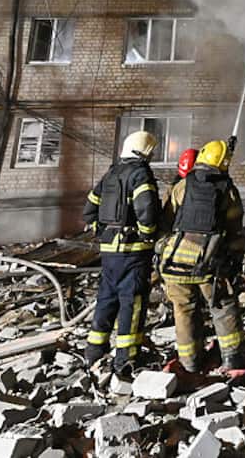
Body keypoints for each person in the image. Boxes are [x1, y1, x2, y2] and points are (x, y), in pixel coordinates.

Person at [158, 138, 245, 374]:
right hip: (210, 265)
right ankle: (232, 358)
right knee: (223, 306)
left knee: (184, 311)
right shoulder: (228, 191)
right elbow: (235, 229)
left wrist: (161, 250)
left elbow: (166, 221)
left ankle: (190, 362)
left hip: (175, 263)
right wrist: (235, 261)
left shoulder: (182, 186)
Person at [83, 130, 161, 374]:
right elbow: (146, 209)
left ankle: (94, 352)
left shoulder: (111, 173)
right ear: (144, 152)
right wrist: (148, 234)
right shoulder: (140, 174)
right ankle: (126, 360)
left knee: (107, 298)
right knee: (131, 303)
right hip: (133, 251)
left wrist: (101, 230)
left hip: (109, 251)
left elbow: (89, 209)